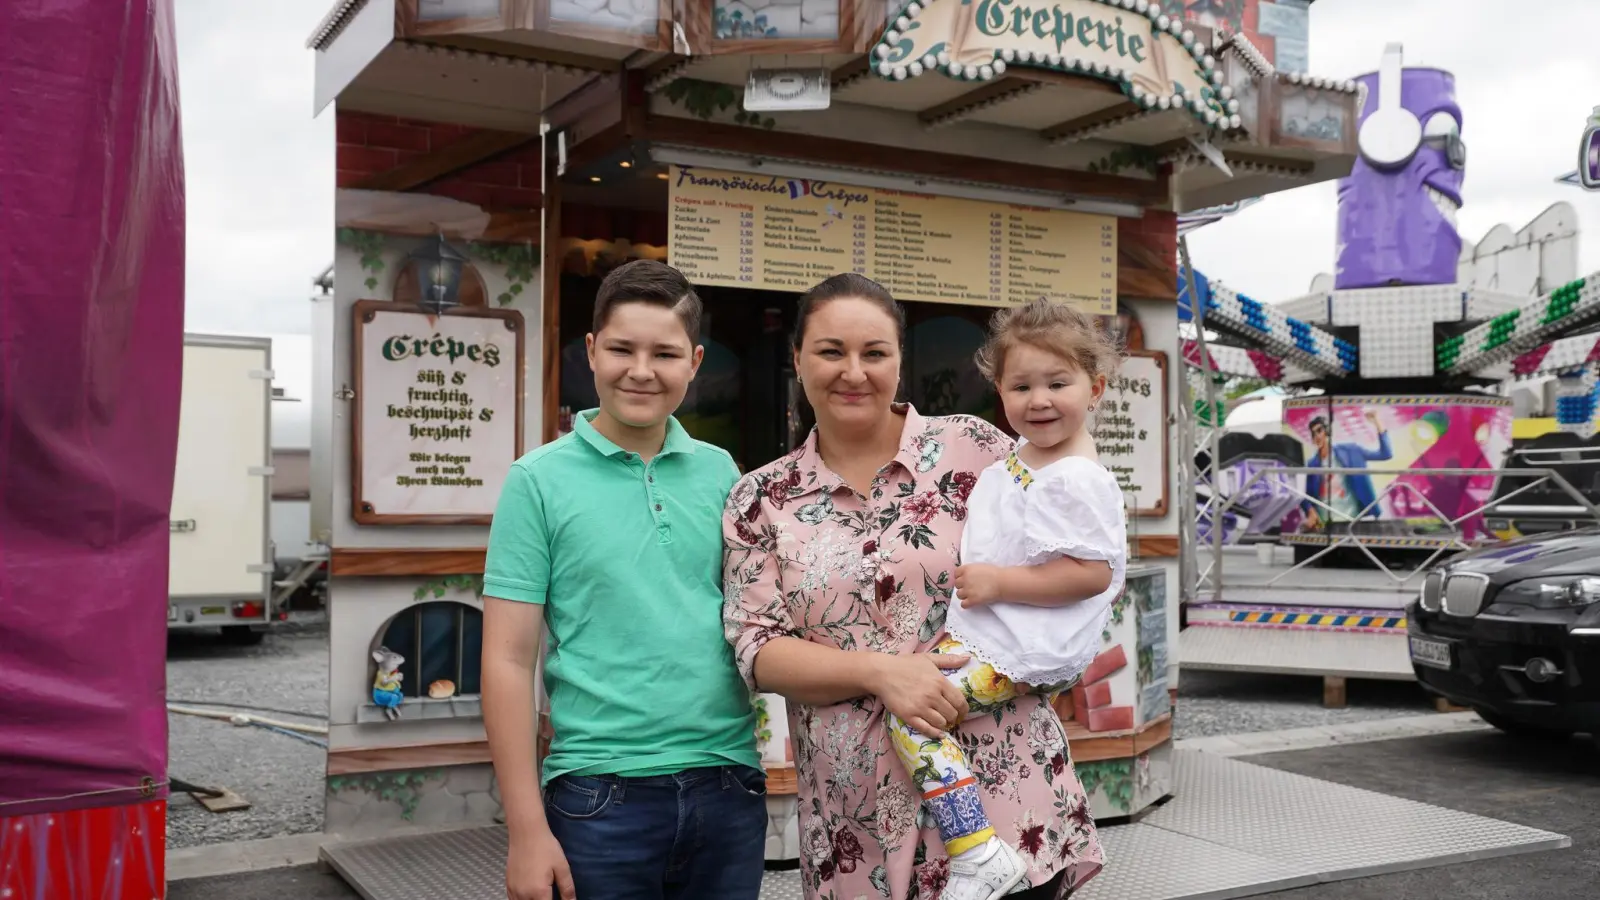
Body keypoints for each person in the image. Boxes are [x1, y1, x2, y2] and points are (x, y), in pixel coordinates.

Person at [723, 274, 1105, 900]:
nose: (854, 371)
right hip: (858, 827)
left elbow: (1073, 545)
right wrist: (881, 673)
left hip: (1008, 801)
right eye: (830, 351)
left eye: (875, 352)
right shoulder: (761, 499)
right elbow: (755, 650)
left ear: (900, 361)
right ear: (796, 359)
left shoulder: (979, 452)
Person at [482, 259, 766, 900]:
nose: (642, 370)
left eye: (664, 353)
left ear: (694, 362)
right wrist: (526, 832)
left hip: (728, 784)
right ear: (590, 352)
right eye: (622, 349)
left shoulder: (722, 472)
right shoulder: (537, 481)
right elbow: (506, 658)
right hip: (597, 794)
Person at [892, 298, 1127, 898]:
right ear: (999, 390)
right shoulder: (1028, 460)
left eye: (1058, 382)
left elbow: (1090, 574)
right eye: (1021, 385)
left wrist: (999, 582)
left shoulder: (1075, 478)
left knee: (916, 720)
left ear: (1095, 387)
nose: (1039, 399)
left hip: (1020, 649)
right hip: (997, 639)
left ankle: (977, 854)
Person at [1301, 410, 1392, 530]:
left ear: (1328, 432)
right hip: (1326, 523)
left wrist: (1377, 421)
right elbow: (1304, 495)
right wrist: (1310, 510)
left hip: (1353, 519)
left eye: (1319, 431)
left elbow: (1385, 454)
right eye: (1313, 434)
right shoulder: (1312, 464)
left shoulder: (1351, 451)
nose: (1317, 436)